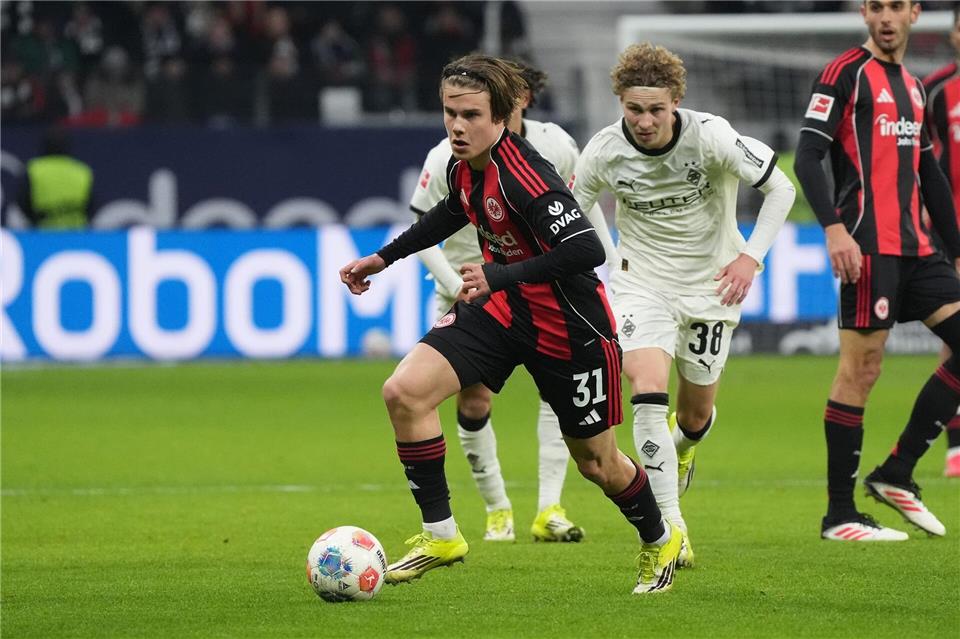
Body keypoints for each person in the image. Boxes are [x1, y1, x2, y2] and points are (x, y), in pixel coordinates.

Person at [340, 54, 682, 594]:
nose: (457, 125)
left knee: (599, 463)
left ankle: (659, 536)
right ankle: (441, 534)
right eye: (450, 112)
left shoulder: (526, 175)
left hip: (568, 326)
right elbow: (451, 212)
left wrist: (502, 273)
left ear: (501, 116)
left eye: (471, 114)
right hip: (502, 312)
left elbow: (586, 248)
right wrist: (382, 259)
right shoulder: (463, 164)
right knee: (404, 392)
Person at [572, 43, 795, 566]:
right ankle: (671, 527)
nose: (645, 121)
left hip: (711, 286)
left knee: (694, 414)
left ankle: (686, 445)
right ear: (620, 104)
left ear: (675, 102)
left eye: (656, 109)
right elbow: (569, 213)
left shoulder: (712, 136)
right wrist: (599, 261)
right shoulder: (603, 150)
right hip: (641, 283)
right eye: (634, 109)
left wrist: (750, 259)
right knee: (646, 389)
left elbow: (779, 189)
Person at [794, 0, 960, 541]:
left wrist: (956, 249)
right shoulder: (844, 73)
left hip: (918, 249)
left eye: (897, 6)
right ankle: (839, 514)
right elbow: (807, 156)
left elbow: (931, 176)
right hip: (867, 247)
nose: (886, 17)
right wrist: (833, 229)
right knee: (861, 372)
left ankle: (897, 473)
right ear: (865, 13)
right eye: (877, 6)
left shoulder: (913, 87)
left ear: (914, 13)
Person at [409, 60, 595, 543]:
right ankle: (497, 508)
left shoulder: (553, 146)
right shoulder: (444, 156)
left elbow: (578, 222)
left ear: (517, 103)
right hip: (466, 284)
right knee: (471, 399)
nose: (462, 123)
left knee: (558, 393)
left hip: (531, 282)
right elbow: (425, 228)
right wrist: (453, 283)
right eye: (456, 111)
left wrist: (607, 270)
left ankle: (549, 506)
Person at [922, 5, 960, 479]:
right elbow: (920, 165)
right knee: (955, 334)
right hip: (953, 234)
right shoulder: (934, 91)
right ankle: (956, 443)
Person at [17, 126, 94, 229]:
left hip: (43, 235)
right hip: (77, 235)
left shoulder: (33, 169)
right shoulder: (82, 171)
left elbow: (22, 201)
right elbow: (92, 206)